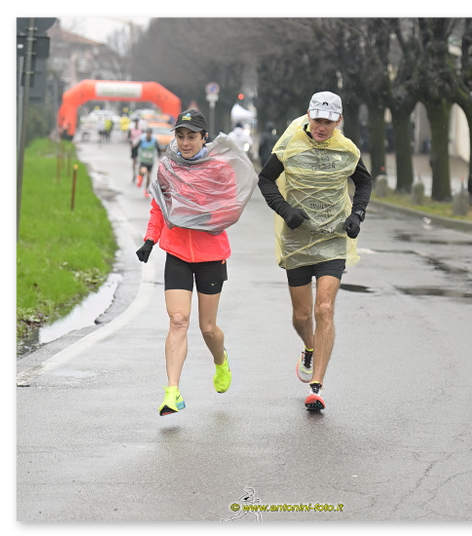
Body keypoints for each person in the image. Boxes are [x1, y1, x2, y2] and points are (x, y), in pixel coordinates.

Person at [136, 109, 257, 416]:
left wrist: (197, 211)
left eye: (192, 136)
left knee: (207, 328)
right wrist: (150, 239)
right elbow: (159, 206)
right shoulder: (168, 168)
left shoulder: (218, 168)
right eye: (180, 136)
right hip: (176, 253)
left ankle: (221, 361)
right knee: (178, 320)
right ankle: (172, 392)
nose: (185, 142)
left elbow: (229, 207)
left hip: (211, 255)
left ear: (205, 137)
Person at [258, 91, 373, 411]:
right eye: (318, 120)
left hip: (332, 239)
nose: (322, 127)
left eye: (328, 122)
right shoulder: (290, 145)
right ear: (309, 116)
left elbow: (364, 183)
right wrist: (285, 211)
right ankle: (309, 347)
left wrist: (357, 215)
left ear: (339, 121)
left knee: (324, 309)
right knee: (302, 315)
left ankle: (317, 385)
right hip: (297, 241)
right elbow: (265, 180)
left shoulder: (347, 150)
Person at [135, 128, 158, 197]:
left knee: (148, 176)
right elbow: (136, 147)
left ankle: (146, 190)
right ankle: (140, 178)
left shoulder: (154, 140)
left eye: (150, 133)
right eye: (148, 133)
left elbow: (158, 149)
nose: (149, 134)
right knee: (143, 171)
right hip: (143, 160)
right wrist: (135, 156)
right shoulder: (142, 140)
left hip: (150, 161)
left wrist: (159, 157)